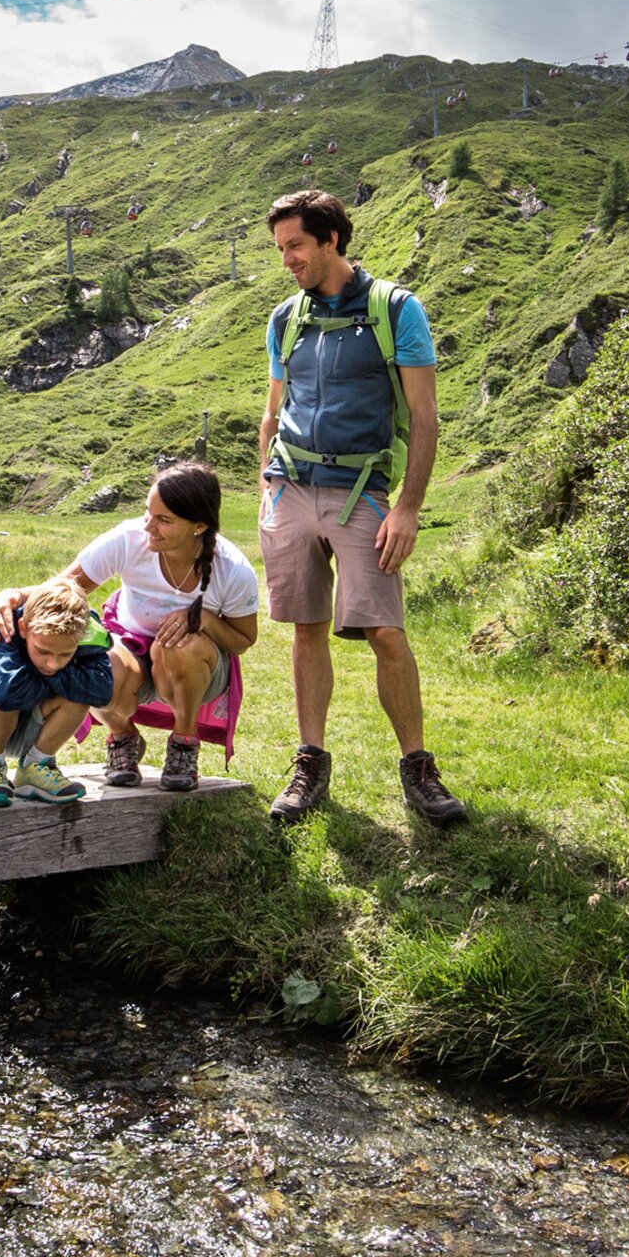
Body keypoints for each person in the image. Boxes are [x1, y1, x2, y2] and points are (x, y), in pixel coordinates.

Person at [256, 188, 468, 825]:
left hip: (362, 493)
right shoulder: (283, 318)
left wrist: (408, 508)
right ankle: (310, 764)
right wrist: (266, 483)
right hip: (290, 487)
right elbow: (272, 406)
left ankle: (418, 768)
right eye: (281, 248)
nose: (287, 259)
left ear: (331, 241)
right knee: (306, 629)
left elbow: (426, 417)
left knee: (384, 630)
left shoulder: (396, 309)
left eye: (296, 246)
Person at [0, 462, 259, 794]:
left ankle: (184, 743)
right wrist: (12, 595)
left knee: (175, 646)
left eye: (164, 520)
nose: (149, 526)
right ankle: (122, 734)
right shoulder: (129, 540)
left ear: (199, 526)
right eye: (148, 513)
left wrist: (205, 621)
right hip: (131, 646)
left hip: (198, 664)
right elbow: (66, 586)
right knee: (96, 668)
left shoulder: (233, 569)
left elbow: (243, 640)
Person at [0, 575, 116, 808]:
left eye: (65, 654)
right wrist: (67, 679)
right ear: (24, 628)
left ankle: (36, 766)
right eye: (43, 651)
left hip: (27, 722)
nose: (52, 663)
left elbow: (102, 692)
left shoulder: (88, 629)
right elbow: (6, 692)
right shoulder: (3, 624)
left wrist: (42, 678)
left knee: (81, 696)